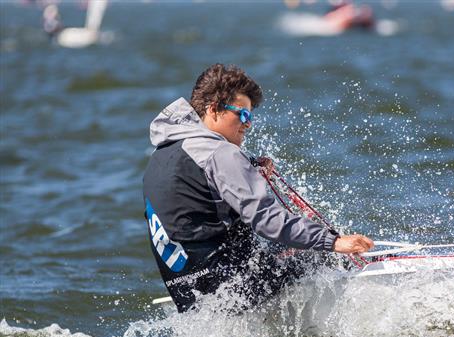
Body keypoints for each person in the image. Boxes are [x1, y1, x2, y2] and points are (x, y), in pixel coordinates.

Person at [142, 63, 374, 312]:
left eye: (250, 116)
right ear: (214, 110)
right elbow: (268, 220)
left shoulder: (159, 158)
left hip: (193, 298)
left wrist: (250, 167)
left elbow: (196, 206)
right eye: (242, 114)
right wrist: (334, 242)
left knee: (278, 247)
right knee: (318, 253)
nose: (248, 124)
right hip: (234, 291)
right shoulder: (221, 153)